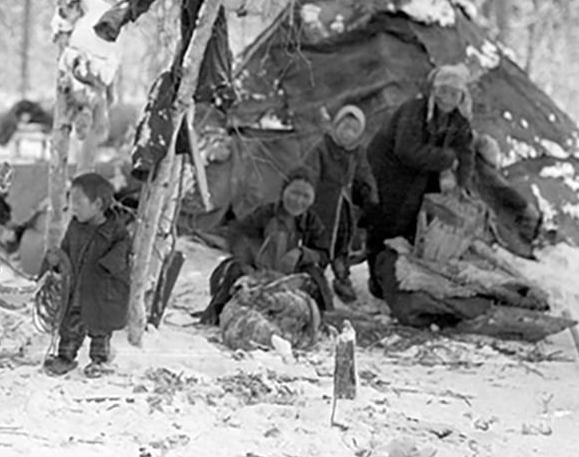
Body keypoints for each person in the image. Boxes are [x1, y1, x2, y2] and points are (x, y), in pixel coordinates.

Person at [364, 63, 475, 301]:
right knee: (387, 222)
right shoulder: (414, 111)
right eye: (443, 91)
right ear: (434, 91)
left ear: (461, 97)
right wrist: (446, 158)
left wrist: (462, 184)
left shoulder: (459, 121)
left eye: (454, 93)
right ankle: (377, 279)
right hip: (390, 170)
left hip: (422, 173)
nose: (447, 98)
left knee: (416, 227)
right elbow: (406, 150)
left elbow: (466, 152)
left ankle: (399, 278)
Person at [197, 168, 332, 324]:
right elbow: (238, 235)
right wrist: (248, 262)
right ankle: (214, 314)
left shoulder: (312, 223)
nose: (298, 201)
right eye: (294, 193)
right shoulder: (265, 214)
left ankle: (318, 322)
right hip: (258, 273)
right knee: (233, 269)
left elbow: (323, 254)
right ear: (283, 191)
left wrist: (302, 254)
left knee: (316, 279)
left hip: (291, 280)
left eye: (305, 196)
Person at [42, 173, 132, 378]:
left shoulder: (116, 231)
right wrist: (56, 260)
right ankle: (65, 357)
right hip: (78, 290)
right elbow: (66, 250)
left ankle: (99, 361)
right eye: (71, 202)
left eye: (78, 203)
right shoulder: (75, 227)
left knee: (100, 330)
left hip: (101, 292)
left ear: (98, 204)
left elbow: (122, 252)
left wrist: (106, 266)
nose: (72, 207)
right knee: (70, 326)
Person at [303, 105, 378, 304]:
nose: (348, 134)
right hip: (322, 205)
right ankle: (313, 281)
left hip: (343, 207)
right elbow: (309, 172)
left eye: (354, 130)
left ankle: (342, 278)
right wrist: (307, 192)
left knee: (341, 244)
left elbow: (364, 173)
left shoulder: (357, 152)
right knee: (320, 243)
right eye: (345, 128)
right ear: (336, 126)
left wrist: (370, 194)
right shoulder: (322, 148)